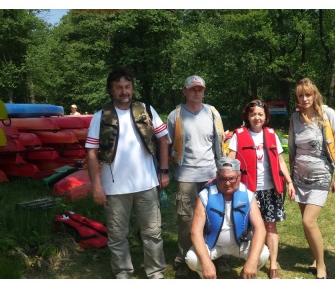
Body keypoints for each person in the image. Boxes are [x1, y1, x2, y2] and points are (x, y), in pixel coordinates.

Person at [85, 67, 170, 279]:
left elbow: (163, 139)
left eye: (127, 87)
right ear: (111, 90)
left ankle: (156, 273)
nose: (124, 91)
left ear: (132, 88)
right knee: (117, 236)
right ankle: (123, 274)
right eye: (119, 87)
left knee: (152, 233)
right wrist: (96, 185)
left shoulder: (147, 110)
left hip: (147, 183)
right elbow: (92, 152)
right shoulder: (100, 116)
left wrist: (164, 171)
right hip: (114, 188)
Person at [167, 75, 227, 278]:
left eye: (200, 89)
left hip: (211, 174)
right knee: (186, 220)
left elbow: (220, 144)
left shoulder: (212, 113)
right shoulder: (175, 115)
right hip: (185, 176)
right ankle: (185, 259)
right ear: (184, 91)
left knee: (214, 217)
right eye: (192, 89)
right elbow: (166, 147)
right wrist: (164, 171)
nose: (197, 92)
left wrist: (222, 169)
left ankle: (217, 258)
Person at [227, 99, 295, 279]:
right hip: (247, 190)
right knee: (248, 228)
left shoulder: (272, 135)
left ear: (266, 117)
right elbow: (230, 160)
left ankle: (273, 265)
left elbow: (280, 161)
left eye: (260, 114)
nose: (256, 118)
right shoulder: (238, 135)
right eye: (253, 114)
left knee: (270, 227)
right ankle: (252, 262)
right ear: (247, 116)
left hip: (269, 190)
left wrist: (289, 182)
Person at [288, 78, 335, 279]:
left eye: (308, 95)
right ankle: (315, 257)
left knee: (308, 221)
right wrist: (290, 180)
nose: (304, 99)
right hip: (299, 176)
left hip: (321, 174)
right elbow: (292, 151)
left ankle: (321, 265)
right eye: (300, 95)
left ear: (315, 95)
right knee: (307, 224)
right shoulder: (295, 119)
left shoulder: (327, 115)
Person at [185, 157, 270, 279]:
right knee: (192, 259)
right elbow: (195, 232)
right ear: (217, 176)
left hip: (239, 244)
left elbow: (260, 229)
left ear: (239, 176)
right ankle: (207, 276)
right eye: (223, 178)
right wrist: (206, 263)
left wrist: (252, 262)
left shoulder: (248, 195)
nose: (227, 183)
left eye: (231, 178)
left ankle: (249, 275)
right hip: (212, 244)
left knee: (263, 254)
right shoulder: (205, 195)